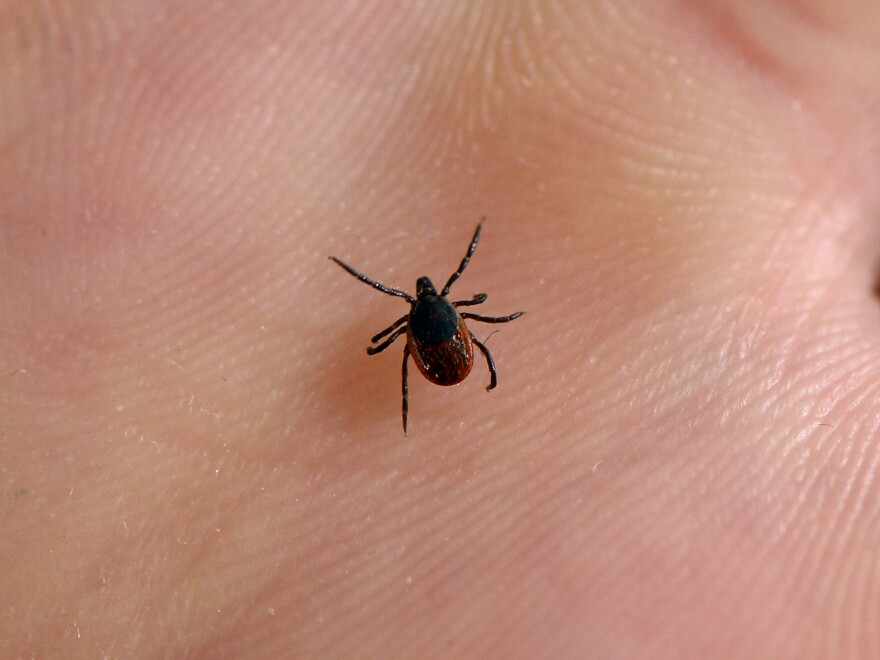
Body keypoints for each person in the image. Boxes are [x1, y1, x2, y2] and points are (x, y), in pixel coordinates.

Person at [2, 2, 879, 656]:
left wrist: (411, 345)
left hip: (436, 374)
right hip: (451, 368)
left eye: (429, 305)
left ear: (427, 320)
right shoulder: (451, 316)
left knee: (418, 362)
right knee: (461, 345)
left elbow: (400, 343)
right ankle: (465, 384)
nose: (429, 299)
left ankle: (445, 392)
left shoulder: (417, 325)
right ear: (441, 321)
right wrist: (468, 349)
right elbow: (456, 318)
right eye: (433, 306)